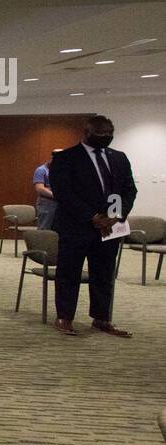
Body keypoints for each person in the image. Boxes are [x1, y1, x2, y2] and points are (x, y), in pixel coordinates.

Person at [49, 115, 137, 338]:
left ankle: (102, 318)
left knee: (105, 274)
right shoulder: (66, 158)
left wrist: (115, 216)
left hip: (110, 228)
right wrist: (92, 217)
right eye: (101, 134)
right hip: (76, 226)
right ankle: (65, 317)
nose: (106, 137)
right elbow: (63, 193)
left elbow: (129, 190)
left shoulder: (119, 158)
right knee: (69, 273)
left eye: (110, 134)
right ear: (86, 133)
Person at [34, 149, 60, 230]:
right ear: (51, 157)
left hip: (60, 204)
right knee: (44, 230)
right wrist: (57, 195)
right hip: (47, 204)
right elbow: (40, 188)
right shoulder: (41, 170)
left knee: (58, 231)